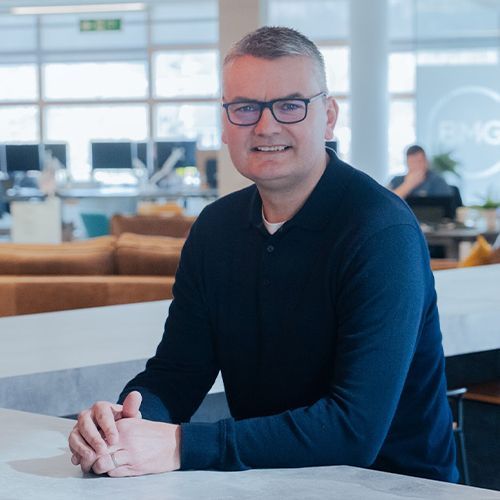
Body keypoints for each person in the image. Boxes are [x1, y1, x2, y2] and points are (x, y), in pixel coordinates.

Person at [68, 26, 458, 482]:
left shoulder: (380, 232)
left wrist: (178, 444)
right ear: (225, 123)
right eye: (245, 108)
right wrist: (122, 423)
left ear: (328, 117)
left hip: (392, 486)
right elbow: (178, 372)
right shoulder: (216, 229)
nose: (266, 125)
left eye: (290, 105)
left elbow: (355, 430)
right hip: (265, 478)